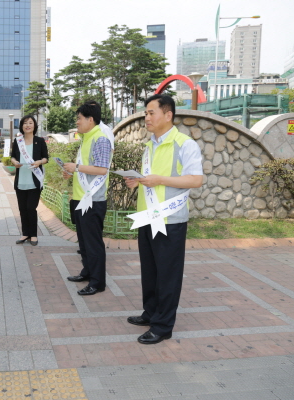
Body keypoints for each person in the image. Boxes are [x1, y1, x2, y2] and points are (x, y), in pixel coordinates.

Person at [124, 94, 203, 344]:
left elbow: (195, 179)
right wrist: (135, 182)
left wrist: (159, 179)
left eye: (151, 112)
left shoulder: (185, 144)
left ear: (168, 115)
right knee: (150, 271)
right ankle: (150, 313)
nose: (146, 117)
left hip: (171, 220)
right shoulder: (150, 145)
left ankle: (162, 326)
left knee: (167, 274)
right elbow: (150, 180)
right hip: (148, 218)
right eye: (145, 113)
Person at [64, 102, 112, 296]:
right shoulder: (86, 138)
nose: (77, 122)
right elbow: (86, 167)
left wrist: (75, 167)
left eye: (79, 118)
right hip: (81, 198)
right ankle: (87, 272)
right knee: (83, 242)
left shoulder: (100, 138)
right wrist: (72, 172)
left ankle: (97, 282)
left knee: (93, 243)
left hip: (93, 199)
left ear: (90, 119)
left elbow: (102, 169)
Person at [10, 115, 49, 246]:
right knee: (22, 209)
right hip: (21, 181)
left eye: (30, 123)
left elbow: (46, 158)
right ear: (21, 126)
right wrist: (15, 162)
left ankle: (33, 235)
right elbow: (13, 156)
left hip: (34, 181)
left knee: (31, 208)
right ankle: (25, 233)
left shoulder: (40, 141)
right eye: (25, 123)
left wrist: (39, 162)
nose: (28, 125)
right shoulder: (18, 141)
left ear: (34, 126)